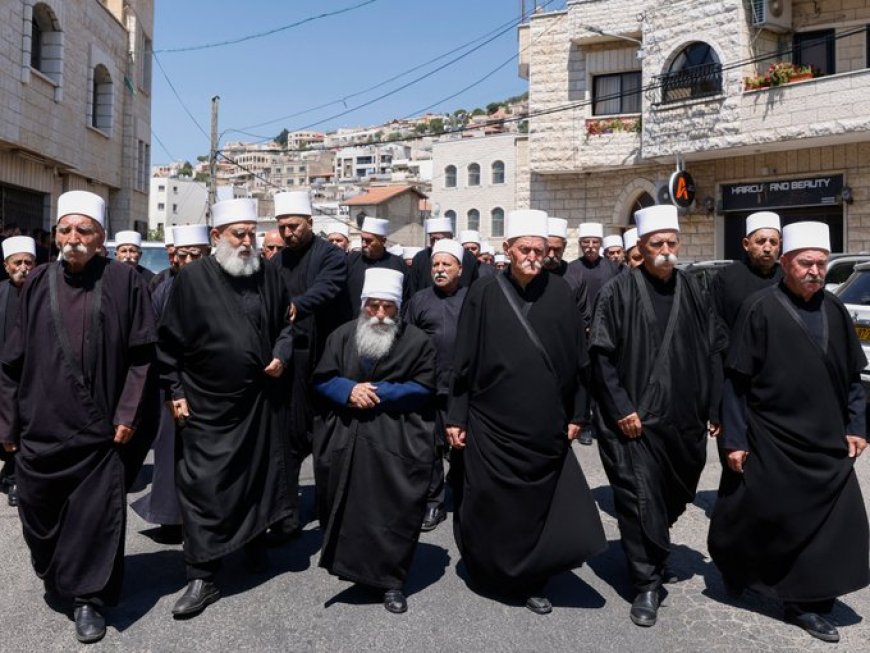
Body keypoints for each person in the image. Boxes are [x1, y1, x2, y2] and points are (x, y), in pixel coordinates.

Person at [0, 191, 156, 644]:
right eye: (65, 230)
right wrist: (6, 424)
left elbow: (143, 357)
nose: (72, 239)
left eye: (83, 230)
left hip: (98, 430)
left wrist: (128, 411)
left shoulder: (126, 282)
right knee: (37, 513)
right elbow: (10, 363)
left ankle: (90, 598)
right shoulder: (37, 283)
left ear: (101, 237)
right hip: (40, 427)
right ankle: (57, 570)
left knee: (94, 518)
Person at [708, 221, 869, 644]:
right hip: (773, 438)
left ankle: (808, 597)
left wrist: (856, 425)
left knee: (836, 523)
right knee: (772, 518)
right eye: (805, 263)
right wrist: (735, 440)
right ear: (785, 264)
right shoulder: (759, 308)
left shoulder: (835, 310)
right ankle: (768, 584)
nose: (815, 271)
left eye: (820, 263)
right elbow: (737, 382)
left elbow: (854, 377)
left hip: (827, 442)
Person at [447, 209, 606, 615]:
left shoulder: (559, 293)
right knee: (493, 502)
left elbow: (580, 362)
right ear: (508, 250)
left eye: (539, 250)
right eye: (525, 250)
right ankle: (493, 570)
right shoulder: (483, 293)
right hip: (490, 423)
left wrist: (578, 414)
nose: (533, 256)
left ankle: (531, 577)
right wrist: (455, 416)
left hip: (545, 424)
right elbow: (462, 362)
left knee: (538, 508)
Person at [589, 204, 725, 628]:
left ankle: (653, 546)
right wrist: (621, 408)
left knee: (672, 495)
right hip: (635, 424)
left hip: (684, 421)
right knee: (638, 498)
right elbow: (602, 358)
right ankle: (646, 582)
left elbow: (714, 349)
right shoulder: (618, 292)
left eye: (671, 242)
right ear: (641, 248)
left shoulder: (696, 288)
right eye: (656, 244)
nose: (666, 249)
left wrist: (715, 404)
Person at [158, 198, 294, 618]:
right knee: (204, 487)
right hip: (206, 405)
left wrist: (281, 353)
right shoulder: (192, 279)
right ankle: (202, 575)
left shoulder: (267, 273)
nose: (248, 241)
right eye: (240, 234)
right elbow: (169, 343)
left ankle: (251, 544)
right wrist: (176, 390)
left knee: (255, 479)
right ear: (216, 237)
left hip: (256, 401)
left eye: (252, 233)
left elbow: (287, 325)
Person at [313, 268, 437, 614]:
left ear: (399, 308)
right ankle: (352, 569)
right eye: (374, 307)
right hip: (348, 435)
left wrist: (380, 392)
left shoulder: (418, 341)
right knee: (351, 508)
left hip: (395, 437)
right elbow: (322, 378)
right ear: (363, 304)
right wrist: (348, 389)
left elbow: (426, 387)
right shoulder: (340, 336)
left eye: (388, 308)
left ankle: (391, 582)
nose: (380, 315)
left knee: (392, 511)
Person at [271, 190, 350, 540]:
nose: (288, 233)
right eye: (283, 227)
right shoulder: (277, 261)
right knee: (287, 442)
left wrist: (296, 305)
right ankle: (286, 518)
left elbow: (327, 289)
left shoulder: (332, 256)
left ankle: (331, 515)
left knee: (327, 445)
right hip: (289, 365)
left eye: (294, 226)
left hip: (325, 361)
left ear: (310, 223)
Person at [131, 224, 212, 542]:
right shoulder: (164, 288)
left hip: (212, 387)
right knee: (171, 454)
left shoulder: (223, 286)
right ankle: (170, 518)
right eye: (184, 255)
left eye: (197, 254)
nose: (190, 260)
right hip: (171, 386)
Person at [404, 239, 468, 532]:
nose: (440, 270)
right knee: (429, 449)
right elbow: (406, 341)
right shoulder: (419, 301)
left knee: (463, 447)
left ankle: (464, 494)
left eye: (446, 265)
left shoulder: (473, 298)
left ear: (460, 269)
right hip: (428, 386)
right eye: (436, 265)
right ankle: (434, 502)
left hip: (464, 389)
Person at [0, 236, 36, 507]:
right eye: (18, 262)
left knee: (21, 428)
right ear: (6, 266)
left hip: (32, 378)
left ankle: (16, 480)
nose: (24, 267)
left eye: (28, 262)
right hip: (3, 376)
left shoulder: (43, 292)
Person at [711, 211, 783, 330]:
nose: (767, 248)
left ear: (779, 245)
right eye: (761, 241)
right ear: (746, 244)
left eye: (773, 242)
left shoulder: (788, 278)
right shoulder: (726, 278)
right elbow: (714, 322)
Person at [346, 217, 406, 318]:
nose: (364, 244)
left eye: (369, 241)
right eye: (362, 239)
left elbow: (406, 298)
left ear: (383, 241)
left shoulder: (398, 264)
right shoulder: (352, 260)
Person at [408, 217, 478, 294]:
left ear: (450, 237)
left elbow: (474, 286)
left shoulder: (468, 257)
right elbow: (413, 288)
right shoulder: (420, 258)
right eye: (432, 239)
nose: (436, 243)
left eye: (439, 239)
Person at [544, 217, 591, 329]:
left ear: (564, 247)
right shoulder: (530, 274)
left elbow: (584, 317)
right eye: (547, 249)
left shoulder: (576, 277)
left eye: (556, 250)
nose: (551, 255)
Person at [565, 222, 623, 304]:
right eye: (586, 242)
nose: (590, 246)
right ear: (580, 243)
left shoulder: (612, 268)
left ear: (600, 244)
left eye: (595, 242)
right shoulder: (570, 268)